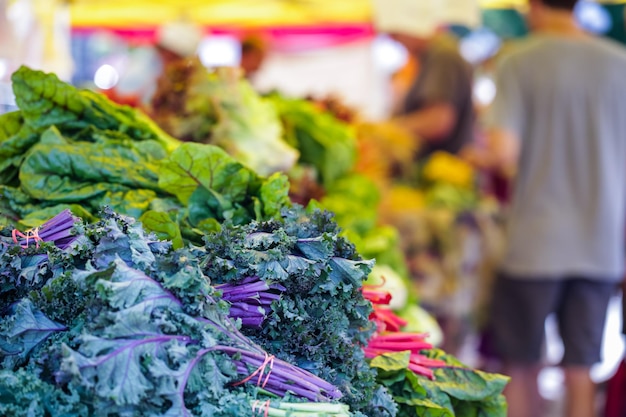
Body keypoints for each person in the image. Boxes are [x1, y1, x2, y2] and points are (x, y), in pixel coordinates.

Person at [483, 1, 626, 416]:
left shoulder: (518, 61)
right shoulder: (620, 63)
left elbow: (503, 152)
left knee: (520, 364)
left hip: (534, 240)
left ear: (534, 7)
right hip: (600, 243)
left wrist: (483, 159)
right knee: (581, 366)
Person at [372, 0, 475, 160]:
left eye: (395, 32)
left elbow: (438, 121)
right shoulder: (430, 55)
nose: (393, 40)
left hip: (443, 168)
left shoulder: (442, 54)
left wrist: (387, 129)